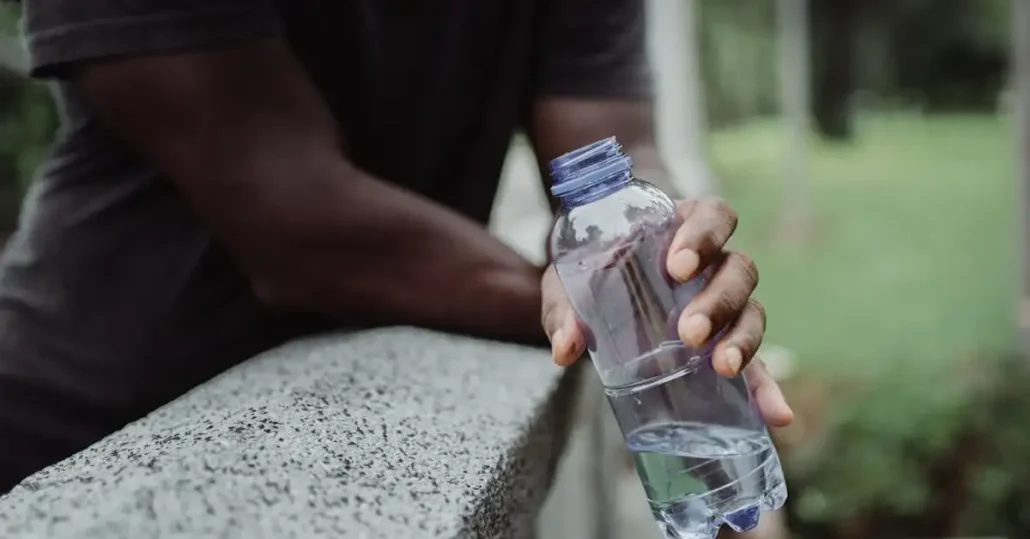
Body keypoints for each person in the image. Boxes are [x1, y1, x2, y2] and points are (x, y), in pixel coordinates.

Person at [0, 0, 793, 493]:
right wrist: (609, 310)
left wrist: (670, 258)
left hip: (362, 425)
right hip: (81, 437)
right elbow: (290, 219)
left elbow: (609, 164)